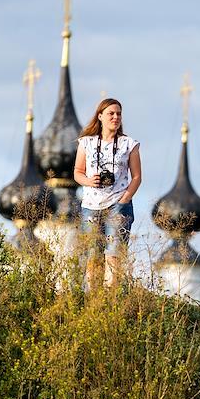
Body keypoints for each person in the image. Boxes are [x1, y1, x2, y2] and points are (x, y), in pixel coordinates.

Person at [74, 98, 142, 290]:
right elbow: (77, 172)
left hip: (117, 204)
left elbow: (136, 177)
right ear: (100, 116)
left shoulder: (129, 144)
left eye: (119, 113)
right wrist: (89, 181)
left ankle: (110, 298)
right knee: (91, 254)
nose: (115, 117)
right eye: (111, 113)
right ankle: (92, 300)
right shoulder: (86, 143)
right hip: (90, 206)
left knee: (114, 253)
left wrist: (124, 199)